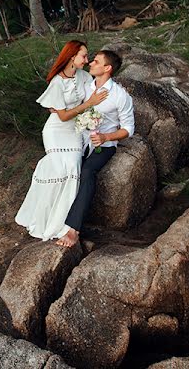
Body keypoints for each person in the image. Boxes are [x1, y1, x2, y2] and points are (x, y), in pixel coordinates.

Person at [15, 40, 109, 241]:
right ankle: (43, 218)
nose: (87, 59)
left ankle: (64, 224)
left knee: (74, 167)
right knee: (57, 168)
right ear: (72, 57)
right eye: (84, 56)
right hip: (56, 131)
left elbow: (95, 91)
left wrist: (92, 108)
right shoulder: (57, 82)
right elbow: (63, 116)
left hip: (75, 131)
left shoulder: (84, 76)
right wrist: (88, 104)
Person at [56, 50, 134, 248]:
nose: (91, 62)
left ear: (107, 68)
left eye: (96, 61)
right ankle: (55, 220)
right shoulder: (84, 85)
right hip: (79, 140)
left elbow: (128, 129)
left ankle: (73, 229)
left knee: (88, 171)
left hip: (104, 146)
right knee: (66, 168)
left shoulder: (120, 95)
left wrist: (106, 136)